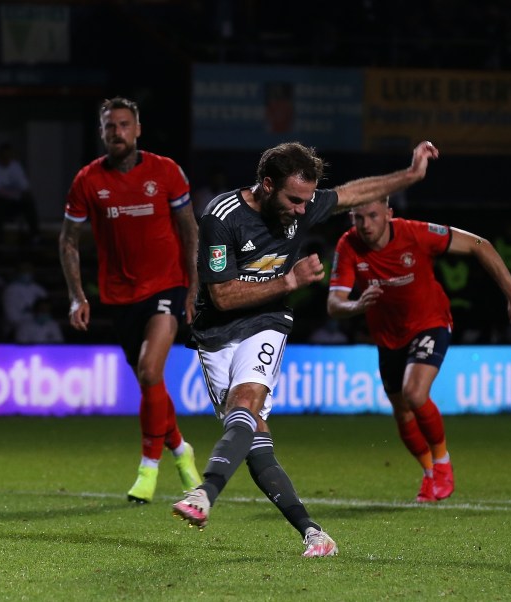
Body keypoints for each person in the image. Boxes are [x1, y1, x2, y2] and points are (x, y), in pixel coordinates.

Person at [171, 140, 441, 559]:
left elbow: (354, 193)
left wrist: (411, 175)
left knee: (247, 400)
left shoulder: (303, 203)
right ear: (266, 184)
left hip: (268, 323)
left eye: (307, 201)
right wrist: (290, 282)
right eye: (294, 200)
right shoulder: (221, 218)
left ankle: (205, 492)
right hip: (216, 333)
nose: (302, 210)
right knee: (254, 438)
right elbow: (222, 297)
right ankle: (314, 532)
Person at [326, 196, 511, 504]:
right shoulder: (349, 245)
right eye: (358, 218)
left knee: (415, 393)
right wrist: (356, 305)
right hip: (387, 337)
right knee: (402, 411)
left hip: (430, 322)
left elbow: (480, 244)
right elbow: (334, 303)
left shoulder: (417, 233)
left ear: (389, 214)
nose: (366, 225)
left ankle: (443, 462)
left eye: (372, 216)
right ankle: (428, 474)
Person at [59, 96, 202, 504]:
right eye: (109, 126)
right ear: (101, 132)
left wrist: (192, 289)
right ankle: (180, 449)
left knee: (149, 368)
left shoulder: (166, 172)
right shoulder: (88, 180)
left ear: (137, 129)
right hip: (119, 296)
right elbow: (68, 241)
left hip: (165, 286)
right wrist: (76, 296)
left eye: (123, 125)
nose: (116, 132)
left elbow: (190, 230)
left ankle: (148, 469)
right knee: (149, 380)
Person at [0, 142, 41, 243]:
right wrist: (13, 193)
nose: (6, 159)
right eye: (4, 156)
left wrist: (22, 194)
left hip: (12, 202)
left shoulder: (15, 166)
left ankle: (35, 235)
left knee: (29, 202)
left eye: (9, 156)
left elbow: (25, 187)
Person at [1, 260, 48, 341]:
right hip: (15, 328)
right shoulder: (10, 290)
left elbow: (46, 310)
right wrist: (26, 326)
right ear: (18, 272)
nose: (26, 273)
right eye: (24, 270)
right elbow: (10, 315)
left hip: (38, 326)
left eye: (28, 270)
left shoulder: (39, 290)